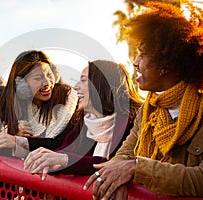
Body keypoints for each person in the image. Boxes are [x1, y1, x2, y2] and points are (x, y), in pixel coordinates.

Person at [84, 2, 203, 199]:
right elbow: (125, 154)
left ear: (165, 65)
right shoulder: (148, 110)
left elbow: (199, 179)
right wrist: (118, 178)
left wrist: (137, 169)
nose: (135, 61)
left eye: (142, 54)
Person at [23, 60, 143, 180]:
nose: (76, 87)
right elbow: (64, 152)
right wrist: (47, 159)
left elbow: (112, 165)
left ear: (102, 85)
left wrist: (64, 160)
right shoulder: (83, 121)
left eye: (84, 80)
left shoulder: (133, 123)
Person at [0, 50, 78, 158]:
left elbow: (58, 144)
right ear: (22, 85)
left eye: (49, 75)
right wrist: (13, 132)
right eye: (38, 78)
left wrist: (18, 141)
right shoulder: (14, 107)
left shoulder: (67, 98)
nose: (47, 83)